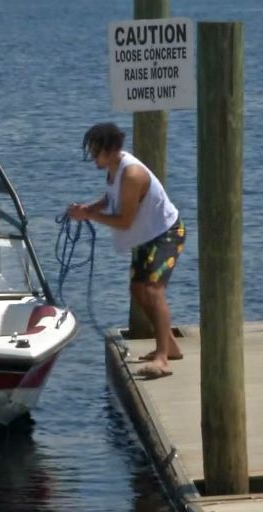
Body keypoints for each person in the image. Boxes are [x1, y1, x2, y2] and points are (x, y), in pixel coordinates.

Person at [67, 122, 185, 379]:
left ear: (110, 150)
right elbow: (110, 200)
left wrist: (89, 216)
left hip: (166, 234)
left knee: (153, 290)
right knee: (137, 289)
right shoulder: (113, 170)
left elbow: (124, 220)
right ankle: (170, 347)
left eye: (96, 151)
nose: (92, 156)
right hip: (147, 237)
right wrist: (86, 209)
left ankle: (163, 358)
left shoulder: (131, 173)